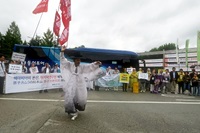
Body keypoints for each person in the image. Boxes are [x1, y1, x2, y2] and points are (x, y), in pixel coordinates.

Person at [60, 45, 103, 120]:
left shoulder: (82, 67)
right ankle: (71, 110)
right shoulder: (70, 64)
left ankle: (77, 108)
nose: (79, 61)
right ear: (74, 60)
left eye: (79, 60)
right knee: (70, 96)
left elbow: (90, 66)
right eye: (77, 60)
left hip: (80, 83)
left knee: (80, 97)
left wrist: (96, 64)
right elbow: (63, 60)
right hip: (72, 83)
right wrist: (62, 51)